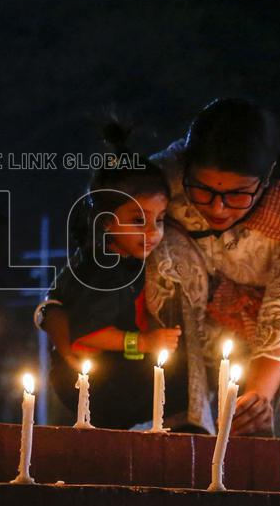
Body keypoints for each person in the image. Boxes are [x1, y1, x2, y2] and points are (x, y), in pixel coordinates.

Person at [148, 98, 280, 438]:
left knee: (263, 453)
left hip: (262, 343)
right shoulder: (160, 181)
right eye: (204, 191)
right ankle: (184, 415)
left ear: (265, 179)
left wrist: (257, 399)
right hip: (177, 344)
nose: (219, 208)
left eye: (237, 194)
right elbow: (105, 222)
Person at [36, 123, 203, 430]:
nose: (153, 232)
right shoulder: (103, 268)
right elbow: (86, 332)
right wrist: (143, 341)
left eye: (160, 219)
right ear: (106, 222)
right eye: (138, 220)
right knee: (177, 384)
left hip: (111, 370)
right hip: (93, 377)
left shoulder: (125, 259)